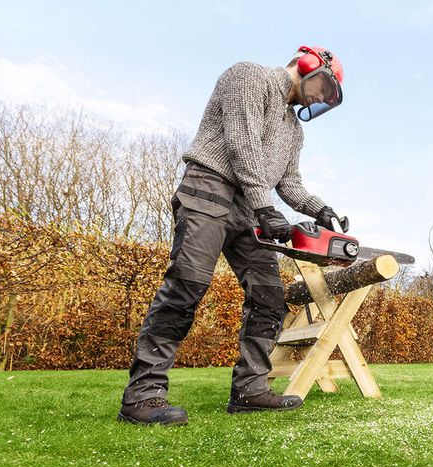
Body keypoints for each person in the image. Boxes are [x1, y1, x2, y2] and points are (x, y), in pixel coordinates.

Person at [118, 46, 348, 426]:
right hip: (208, 189)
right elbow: (241, 145)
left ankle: (249, 390)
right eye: (324, 87)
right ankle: (142, 395)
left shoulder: (294, 130)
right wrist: (265, 207)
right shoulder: (248, 76)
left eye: (328, 96)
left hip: (248, 208)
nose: (322, 97)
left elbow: (289, 183)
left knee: (269, 295)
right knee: (186, 286)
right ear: (308, 66)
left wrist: (320, 209)